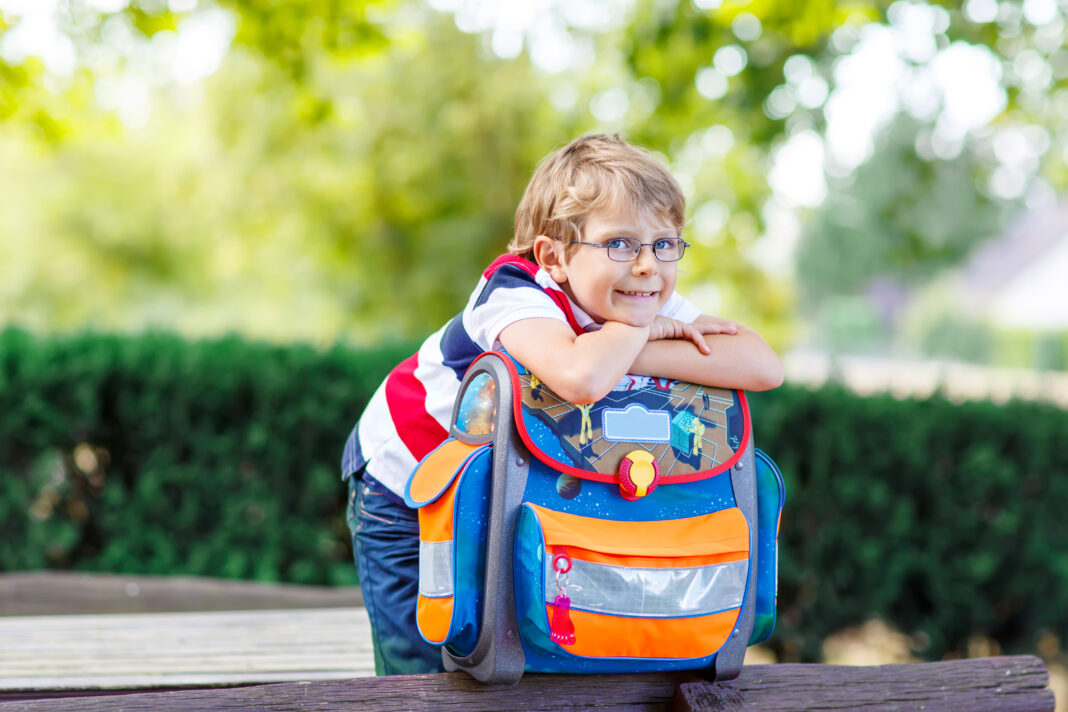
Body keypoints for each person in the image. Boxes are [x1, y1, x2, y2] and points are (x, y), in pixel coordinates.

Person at [342, 133, 783, 675]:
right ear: (554, 256)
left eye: (665, 244)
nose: (647, 265)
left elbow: (762, 366)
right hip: (409, 482)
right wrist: (642, 337)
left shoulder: (636, 302)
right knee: (428, 659)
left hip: (504, 477)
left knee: (524, 633)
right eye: (619, 243)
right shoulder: (512, 292)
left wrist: (631, 342)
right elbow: (581, 376)